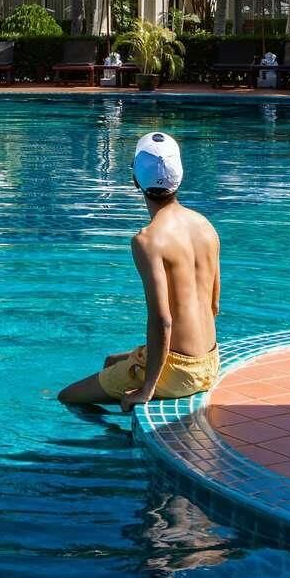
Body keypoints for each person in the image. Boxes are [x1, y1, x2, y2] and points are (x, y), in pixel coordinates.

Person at [59, 131, 222, 410]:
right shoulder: (205, 226)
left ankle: (115, 439)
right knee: (112, 360)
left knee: (68, 397)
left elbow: (162, 321)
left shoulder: (148, 240)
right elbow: (214, 306)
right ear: (180, 176)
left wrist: (147, 388)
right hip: (209, 362)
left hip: (178, 372)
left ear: (135, 179)